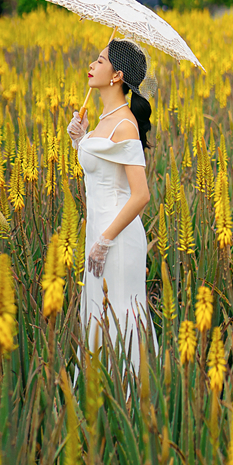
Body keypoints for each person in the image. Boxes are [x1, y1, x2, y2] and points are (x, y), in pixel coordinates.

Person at [67, 38, 155, 368]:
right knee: (96, 316)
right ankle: (100, 400)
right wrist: (81, 140)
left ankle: (132, 400)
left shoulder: (125, 125)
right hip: (98, 235)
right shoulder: (105, 120)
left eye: (100, 61)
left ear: (117, 76)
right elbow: (100, 175)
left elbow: (140, 195)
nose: (91, 65)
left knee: (121, 317)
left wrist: (105, 241)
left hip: (117, 240)